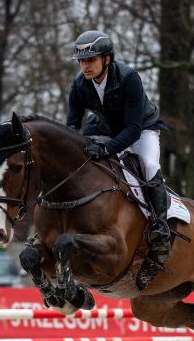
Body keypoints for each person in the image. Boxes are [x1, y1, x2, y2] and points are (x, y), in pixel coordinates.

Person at [66, 30, 171, 263]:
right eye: (82, 61)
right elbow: (72, 125)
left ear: (107, 59)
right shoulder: (80, 84)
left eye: (91, 59)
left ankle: (161, 227)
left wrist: (106, 149)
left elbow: (132, 129)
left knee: (149, 165)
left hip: (142, 128)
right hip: (106, 128)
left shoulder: (129, 78)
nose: (85, 66)